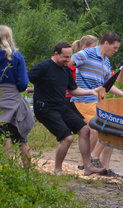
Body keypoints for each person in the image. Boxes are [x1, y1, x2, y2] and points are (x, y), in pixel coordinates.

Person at [28, 41, 104, 174]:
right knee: (67, 138)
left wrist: (91, 91)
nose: (68, 60)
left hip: (60, 106)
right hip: (44, 108)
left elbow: (73, 90)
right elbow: (25, 79)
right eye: (65, 57)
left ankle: (87, 166)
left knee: (85, 130)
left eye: (70, 57)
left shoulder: (66, 70)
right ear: (56, 54)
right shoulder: (43, 67)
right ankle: (57, 169)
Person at [71, 32, 123, 170]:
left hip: (98, 101)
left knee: (113, 127)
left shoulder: (106, 62)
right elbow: (67, 64)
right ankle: (87, 162)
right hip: (83, 100)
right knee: (97, 128)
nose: (116, 51)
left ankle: (102, 165)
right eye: (115, 48)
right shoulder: (86, 53)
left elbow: (106, 86)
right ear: (106, 43)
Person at [0, 25, 33, 168]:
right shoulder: (17, 57)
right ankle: (28, 172)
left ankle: (4, 171)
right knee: (21, 138)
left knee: (3, 134)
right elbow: (23, 83)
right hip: (12, 98)